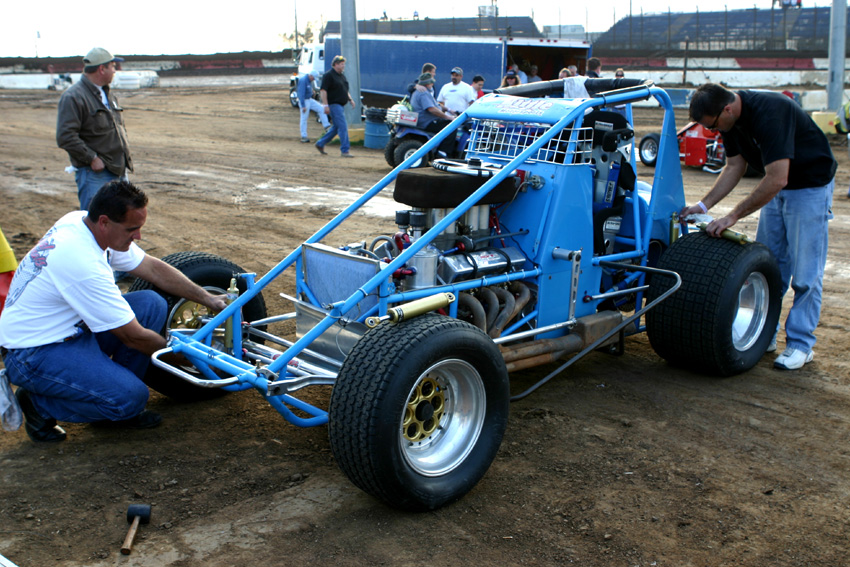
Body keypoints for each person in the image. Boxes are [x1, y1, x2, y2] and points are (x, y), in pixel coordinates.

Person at [0, 181, 228, 442]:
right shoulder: (81, 262)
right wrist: (194, 358)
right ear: (105, 222)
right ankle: (39, 404)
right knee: (131, 398)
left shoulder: (81, 222)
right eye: (131, 229)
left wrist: (208, 298)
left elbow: (152, 268)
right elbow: (134, 337)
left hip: (67, 331)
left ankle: (108, 391)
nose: (138, 236)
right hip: (33, 352)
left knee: (150, 304)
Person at [681, 83, 836, 370]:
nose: (714, 131)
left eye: (713, 126)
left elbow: (777, 178)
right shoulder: (729, 122)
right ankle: (766, 334)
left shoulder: (771, 112)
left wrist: (733, 216)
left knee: (805, 272)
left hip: (809, 187)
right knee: (771, 267)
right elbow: (734, 167)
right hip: (777, 186)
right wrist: (703, 206)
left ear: (727, 109)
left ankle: (801, 345)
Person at [56, 48, 133, 210]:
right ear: (102, 69)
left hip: (118, 169)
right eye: (113, 66)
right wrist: (92, 158)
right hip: (95, 174)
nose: (115, 71)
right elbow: (65, 136)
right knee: (95, 220)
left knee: (119, 219)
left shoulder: (108, 95)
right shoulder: (73, 97)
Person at [316, 55, 356, 158]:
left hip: (340, 105)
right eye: (342, 64)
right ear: (335, 64)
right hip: (334, 105)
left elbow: (345, 90)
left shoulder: (342, 76)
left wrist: (350, 99)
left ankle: (320, 143)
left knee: (336, 127)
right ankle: (345, 150)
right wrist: (325, 105)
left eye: (344, 64)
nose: (343, 66)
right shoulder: (328, 75)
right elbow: (323, 90)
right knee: (343, 127)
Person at [411, 72, 456, 156]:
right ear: (427, 84)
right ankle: (443, 152)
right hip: (427, 122)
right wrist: (447, 117)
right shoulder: (423, 93)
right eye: (431, 83)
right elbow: (432, 109)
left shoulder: (419, 92)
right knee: (452, 127)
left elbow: (435, 105)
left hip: (423, 121)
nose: (432, 84)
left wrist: (448, 109)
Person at [296, 72, 330, 143]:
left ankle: (327, 126)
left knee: (321, 108)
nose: (314, 79)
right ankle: (304, 136)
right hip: (304, 101)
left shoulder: (308, 80)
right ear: (311, 76)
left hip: (309, 99)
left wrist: (311, 92)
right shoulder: (303, 80)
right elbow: (301, 94)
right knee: (304, 118)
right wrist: (303, 106)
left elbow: (307, 89)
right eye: (313, 78)